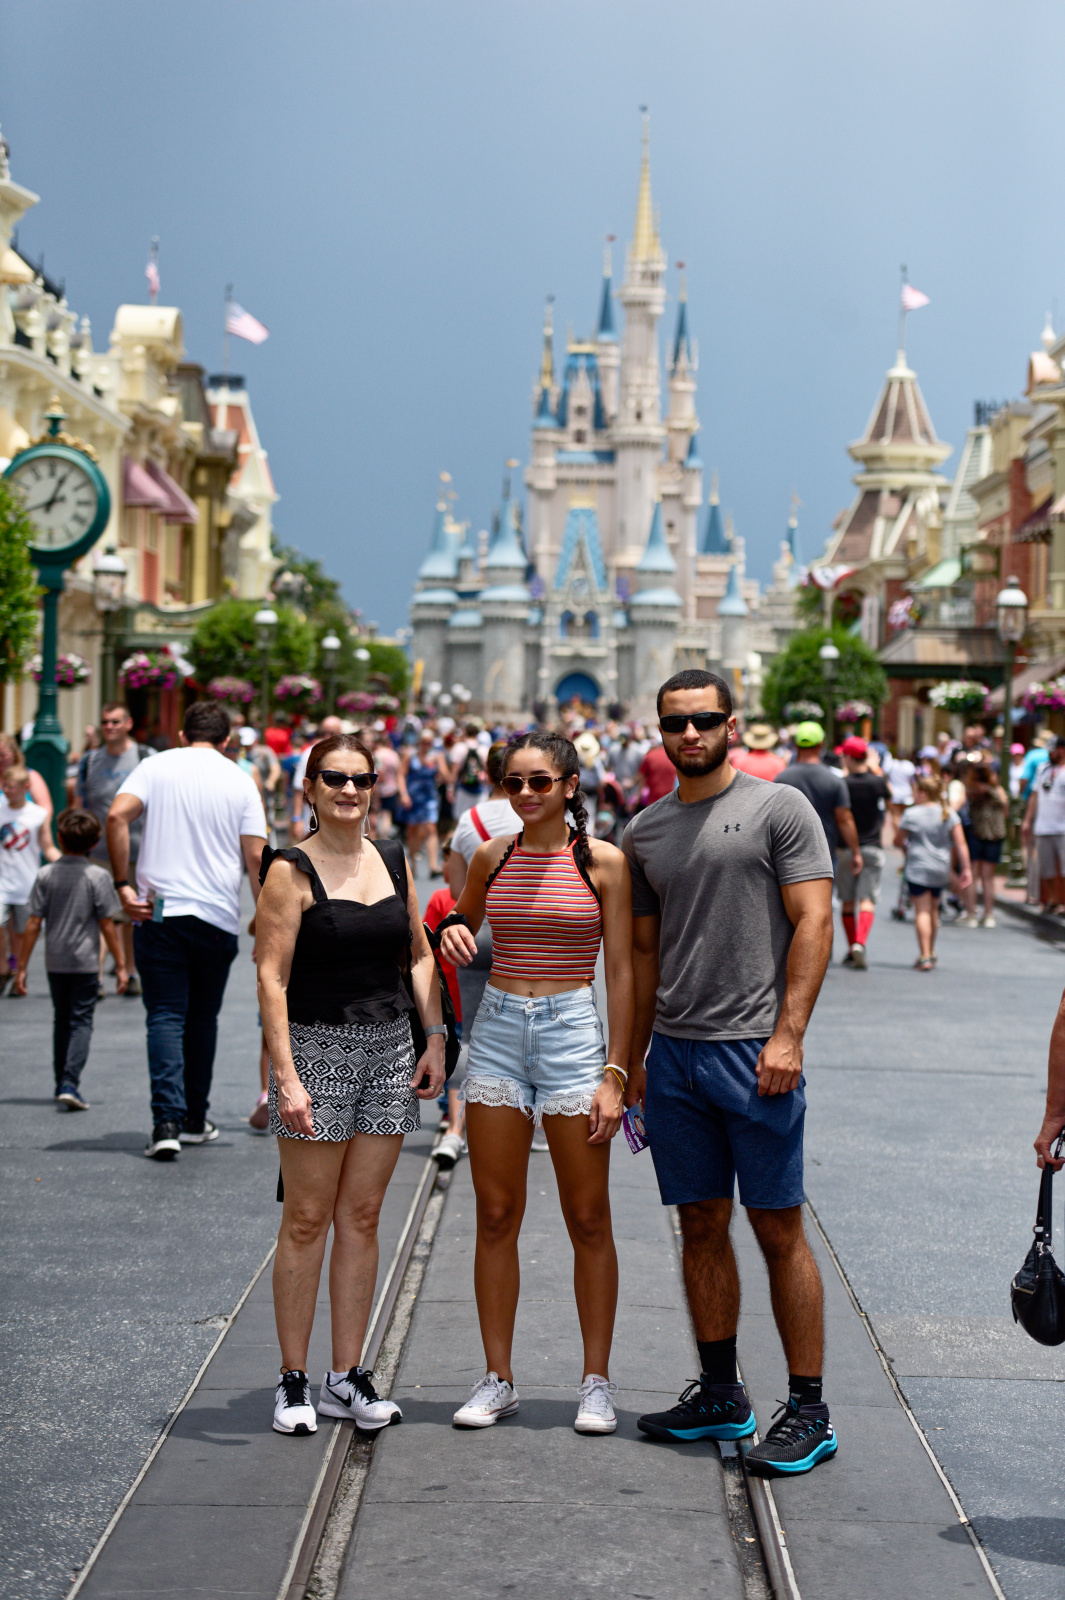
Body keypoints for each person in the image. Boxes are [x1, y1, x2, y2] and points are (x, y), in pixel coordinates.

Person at [621, 669, 838, 1478]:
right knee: (699, 1222)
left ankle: (809, 1410)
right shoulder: (644, 831)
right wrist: (632, 1059)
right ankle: (721, 1392)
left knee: (777, 1227)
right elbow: (642, 954)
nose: (690, 733)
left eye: (705, 719)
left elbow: (814, 919)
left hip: (754, 1052)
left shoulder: (780, 808)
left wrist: (789, 1035)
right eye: (675, 722)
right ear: (659, 731)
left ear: (731, 725)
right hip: (676, 1056)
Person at [440, 731, 633, 1435]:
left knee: (588, 1217)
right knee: (495, 1215)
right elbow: (457, 921)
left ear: (570, 785)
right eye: (513, 782)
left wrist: (617, 1071)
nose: (524, 794)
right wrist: (451, 932)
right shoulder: (493, 856)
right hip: (497, 1032)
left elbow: (622, 973)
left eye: (539, 782)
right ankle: (498, 1377)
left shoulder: (603, 862)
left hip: (572, 1034)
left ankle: (595, 1382)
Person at [255, 733, 446, 1436]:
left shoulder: (391, 857)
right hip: (315, 1048)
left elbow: (418, 954)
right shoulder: (289, 869)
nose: (348, 790)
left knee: (362, 1217)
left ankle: (347, 1375)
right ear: (308, 788)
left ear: (374, 787)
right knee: (306, 1219)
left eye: (360, 779)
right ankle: (293, 1379)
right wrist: (285, 1077)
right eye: (333, 778)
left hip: (389, 1049)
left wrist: (434, 1036)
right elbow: (270, 976)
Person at [105, 701, 268, 1160]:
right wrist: (266, 923)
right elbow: (257, 857)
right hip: (216, 916)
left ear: (181, 735)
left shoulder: (154, 766)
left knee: (164, 1016)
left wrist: (122, 884)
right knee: (201, 1018)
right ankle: (196, 1117)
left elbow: (116, 817)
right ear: (227, 741)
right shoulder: (241, 779)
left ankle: (166, 1122)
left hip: (159, 911)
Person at [14, 809, 127, 1108]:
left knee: (61, 1019)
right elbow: (107, 924)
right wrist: (121, 965)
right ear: (95, 842)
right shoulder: (98, 876)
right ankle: (70, 1082)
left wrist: (22, 967)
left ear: (60, 839)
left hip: (55, 960)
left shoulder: (46, 874)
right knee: (81, 1021)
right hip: (86, 961)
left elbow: (33, 923)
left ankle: (59, 1082)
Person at [77, 702, 154, 998]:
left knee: (132, 917)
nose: (109, 727)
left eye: (115, 722)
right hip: (98, 854)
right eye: (105, 722)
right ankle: (96, 978)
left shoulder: (146, 758)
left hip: (137, 852)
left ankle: (131, 973)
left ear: (128, 724)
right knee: (100, 917)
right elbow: (80, 805)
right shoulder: (90, 761)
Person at [773, 721, 862, 889]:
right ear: (821, 745)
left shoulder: (782, 779)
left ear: (796, 745)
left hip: (787, 854)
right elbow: (845, 820)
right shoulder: (834, 781)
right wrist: (856, 852)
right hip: (824, 854)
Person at [898, 774, 973, 970]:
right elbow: (961, 843)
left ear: (922, 793)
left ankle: (924, 956)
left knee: (922, 911)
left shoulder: (911, 814)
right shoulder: (948, 813)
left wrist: (905, 848)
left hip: (919, 867)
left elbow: (898, 840)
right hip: (941, 867)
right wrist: (966, 868)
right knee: (933, 909)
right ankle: (930, 950)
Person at [0, 762, 59, 990]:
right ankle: (3, 968)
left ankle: (17, 971)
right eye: (4, 786)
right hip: (2, 883)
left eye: (11, 786)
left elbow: (47, 847)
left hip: (26, 883)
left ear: (25, 787)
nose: (6, 791)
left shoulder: (38, 815)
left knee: (21, 933)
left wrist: (67, 863)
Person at [837, 736, 890, 969]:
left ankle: (851, 948)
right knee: (867, 899)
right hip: (873, 846)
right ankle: (860, 942)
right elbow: (890, 797)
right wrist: (875, 769)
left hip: (847, 848)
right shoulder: (877, 782)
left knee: (848, 901)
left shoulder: (842, 784)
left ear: (848, 757)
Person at [399, 728, 449, 876]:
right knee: (413, 830)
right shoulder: (410, 755)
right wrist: (403, 794)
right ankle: (413, 864)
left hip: (429, 797)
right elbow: (401, 775)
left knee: (431, 828)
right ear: (419, 742)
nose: (427, 745)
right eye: (424, 742)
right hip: (413, 797)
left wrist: (439, 764)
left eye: (429, 742)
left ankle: (433, 866)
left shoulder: (436, 756)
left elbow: (446, 777)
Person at [965, 760, 1008, 925]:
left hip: (993, 836)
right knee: (974, 874)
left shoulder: (997, 790)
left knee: (986, 877)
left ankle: (987, 914)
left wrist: (990, 788)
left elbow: (1004, 806)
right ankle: (972, 914)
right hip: (978, 834)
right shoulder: (972, 788)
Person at [883, 748, 916, 843]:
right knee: (905, 816)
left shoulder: (892, 764)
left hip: (894, 794)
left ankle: (899, 837)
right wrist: (914, 793)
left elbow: (885, 778)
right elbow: (913, 781)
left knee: (895, 816)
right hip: (907, 793)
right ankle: (903, 837)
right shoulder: (909, 765)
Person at [638, 735, 676, 807]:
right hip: (671, 800)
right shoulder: (674, 756)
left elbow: (642, 778)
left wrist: (638, 798)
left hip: (653, 801)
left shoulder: (650, 756)